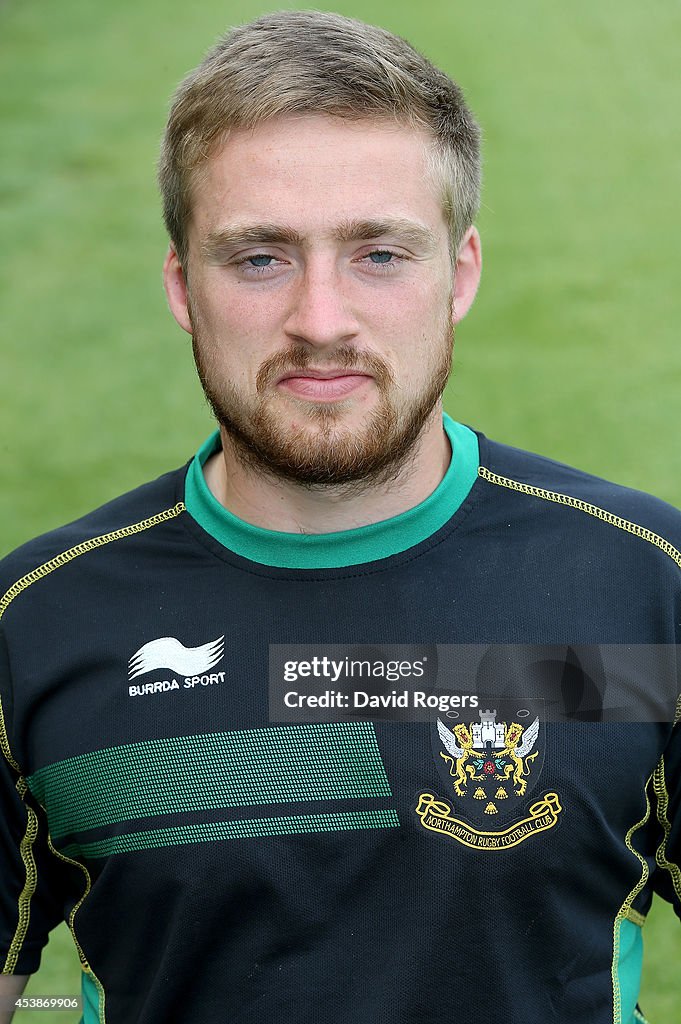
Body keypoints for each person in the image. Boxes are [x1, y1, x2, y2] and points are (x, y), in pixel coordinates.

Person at [0, 10, 679, 1024]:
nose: (322, 320)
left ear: (461, 273)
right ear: (186, 286)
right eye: (260, 258)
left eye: (380, 254)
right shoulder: (35, 626)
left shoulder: (643, 587)